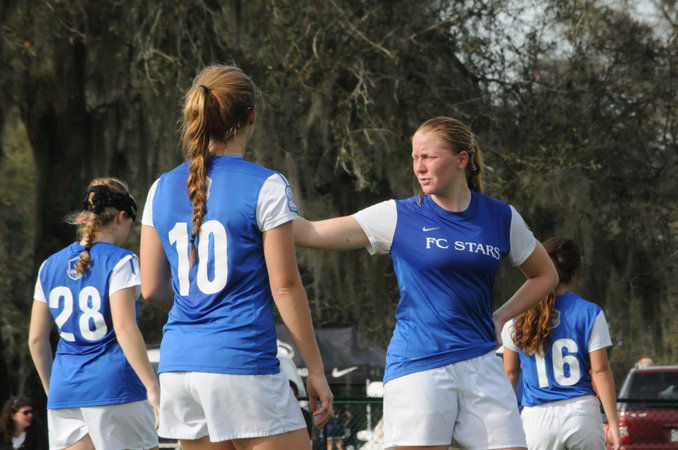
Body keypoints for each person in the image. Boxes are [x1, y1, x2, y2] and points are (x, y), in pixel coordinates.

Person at [294, 116, 559, 449]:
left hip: (482, 364)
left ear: (461, 159)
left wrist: (502, 316)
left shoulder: (501, 217)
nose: (419, 167)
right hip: (419, 367)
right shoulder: (399, 215)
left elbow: (545, 275)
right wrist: (262, 208)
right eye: (415, 157)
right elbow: (311, 233)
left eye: (429, 157)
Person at [139, 64, 333, 450]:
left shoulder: (160, 187)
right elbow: (285, 286)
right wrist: (315, 369)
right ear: (252, 116)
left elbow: (151, 289)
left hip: (179, 367)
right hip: (241, 362)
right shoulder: (266, 184)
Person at [28, 178, 159, 449]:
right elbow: (124, 329)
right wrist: (152, 387)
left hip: (65, 392)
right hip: (116, 388)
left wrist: (54, 392)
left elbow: (36, 340)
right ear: (121, 216)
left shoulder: (49, 265)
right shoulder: (121, 261)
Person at [501, 237, 621, 450]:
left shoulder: (516, 318)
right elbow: (600, 371)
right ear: (576, 272)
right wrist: (613, 424)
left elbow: (510, 374)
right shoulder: (590, 312)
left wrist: (501, 422)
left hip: (536, 421)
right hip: (581, 414)